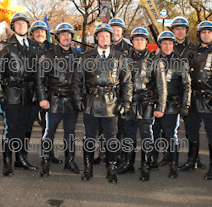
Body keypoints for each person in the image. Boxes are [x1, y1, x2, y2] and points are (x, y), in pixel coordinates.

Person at [72, 23, 133, 184]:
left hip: (111, 104)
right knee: (89, 138)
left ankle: (111, 170)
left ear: (111, 38)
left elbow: (127, 83)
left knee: (111, 139)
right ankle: (88, 169)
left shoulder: (120, 57)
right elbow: (77, 81)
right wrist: (77, 99)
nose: (104, 38)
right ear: (96, 38)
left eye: (107, 36)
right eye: (101, 36)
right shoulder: (86, 57)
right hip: (91, 103)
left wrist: (127, 102)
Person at [179, 21, 212, 180]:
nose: (206, 34)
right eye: (203, 32)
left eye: (209, 32)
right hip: (193, 99)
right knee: (191, 131)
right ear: (199, 34)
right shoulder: (191, 51)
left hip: (210, 100)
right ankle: (191, 160)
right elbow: (184, 74)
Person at [116, 27, 167, 181]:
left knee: (146, 135)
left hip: (147, 103)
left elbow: (161, 86)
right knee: (128, 134)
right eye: (136, 39)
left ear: (146, 42)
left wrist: (161, 107)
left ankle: (145, 166)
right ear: (132, 42)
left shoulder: (155, 60)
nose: (139, 42)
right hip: (129, 103)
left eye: (142, 39)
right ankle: (128, 164)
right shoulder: (123, 59)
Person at [0, 13, 40, 176]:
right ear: (13, 27)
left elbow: (39, 73)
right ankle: (7, 163)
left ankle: (20, 159)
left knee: (23, 128)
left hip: (28, 94)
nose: (21, 26)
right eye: (18, 24)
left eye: (24, 24)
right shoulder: (4, 46)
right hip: (11, 93)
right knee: (10, 129)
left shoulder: (35, 46)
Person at [35, 23, 82, 177]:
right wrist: (42, 99)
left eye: (68, 34)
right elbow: (39, 80)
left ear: (72, 37)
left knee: (70, 133)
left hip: (71, 101)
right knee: (49, 133)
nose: (66, 36)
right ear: (57, 37)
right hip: (53, 99)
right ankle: (45, 162)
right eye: (63, 34)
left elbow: (82, 80)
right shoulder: (47, 55)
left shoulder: (78, 56)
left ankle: (69, 161)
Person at [169, 16, 205, 169]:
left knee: (191, 127)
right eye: (176, 29)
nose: (179, 31)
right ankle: (168, 156)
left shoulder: (195, 49)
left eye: (182, 29)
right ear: (172, 31)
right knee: (169, 128)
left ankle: (193, 158)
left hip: (188, 93)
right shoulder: (167, 46)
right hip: (171, 93)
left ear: (186, 31)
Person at [154, 31, 191, 179]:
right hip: (155, 104)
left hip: (172, 105)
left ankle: (173, 165)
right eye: (164, 43)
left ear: (174, 45)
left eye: (170, 43)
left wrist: (185, 105)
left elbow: (187, 85)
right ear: (160, 45)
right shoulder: (153, 60)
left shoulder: (181, 62)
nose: (167, 46)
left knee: (170, 136)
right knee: (155, 134)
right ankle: (154, 160)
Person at [28, 21, 60, 164]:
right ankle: (22, 156)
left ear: (46, 34)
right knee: (27, 124)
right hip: (30, 92)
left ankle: (48, 154)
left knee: (48, 126)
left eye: (42, 31)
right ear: (32, 34)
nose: (40, 33)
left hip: (49, 92)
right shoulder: (26, 47)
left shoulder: (53, 48)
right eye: (37, 31)